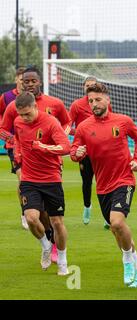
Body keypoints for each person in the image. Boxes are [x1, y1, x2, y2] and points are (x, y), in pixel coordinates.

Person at [70, 83, 137, 288]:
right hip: (102, 186)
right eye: (91, 101)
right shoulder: (84, 127)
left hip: (124, 180)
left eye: (97, 100)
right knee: (117, 230)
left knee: (117, 222)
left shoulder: (122, 121)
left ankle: (127, 262)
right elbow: (74, 150)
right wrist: (76, 154)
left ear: (107, 99)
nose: (94, 104)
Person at [0, 66, 71, 264]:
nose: (29, 84)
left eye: (33, 81)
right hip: (24, 156)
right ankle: (28, 217)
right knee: (26, 187)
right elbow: (3, 129)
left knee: (50, 213)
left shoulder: (54, 104)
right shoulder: (13, 106)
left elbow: (67, 123)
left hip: (50, 160)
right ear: (21, 82)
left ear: (40, 81)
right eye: (26, 81)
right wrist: (14, 142)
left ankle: (53, 242)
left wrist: (58, 138)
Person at [13, 92, 70, 275]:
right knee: (30, 218)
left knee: (57, 222)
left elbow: (66, 148)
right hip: (29, 180)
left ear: (35, 107)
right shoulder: (18, 122)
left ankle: (62, 261)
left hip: (52, 179)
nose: (24, 118)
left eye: (27, 114)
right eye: (21, 114)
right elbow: (18, 140)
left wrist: (43, 147)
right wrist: (18, 155)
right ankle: (46, 245)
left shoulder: (51, 122)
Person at [69, 76, 112, 228]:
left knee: (104, 182)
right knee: (87, 181)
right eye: (87, 85)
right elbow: (68, 125)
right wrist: (76, 136)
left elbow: (109, 122)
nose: (89, 87)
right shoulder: (76, 105)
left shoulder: (104, 104)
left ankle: (108, 216)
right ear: (83, 88)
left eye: (92, 85)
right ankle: (87, 206)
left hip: (101, 150)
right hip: (84, 151)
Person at [0, 66, 28, 229]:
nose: (24, 81)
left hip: (32, 146)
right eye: (22, 78)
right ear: (16, 79)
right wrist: (10, 137)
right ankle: (24, 212)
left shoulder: (32, 98)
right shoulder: (7, 97)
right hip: (14, 147)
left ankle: (36, 210)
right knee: (22, 178)